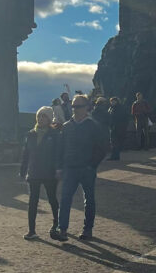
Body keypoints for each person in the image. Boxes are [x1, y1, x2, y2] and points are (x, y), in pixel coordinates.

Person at [56, 94, 109, 241]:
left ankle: (87, 229)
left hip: (86, 169)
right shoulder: (67, 126)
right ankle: (63, 229)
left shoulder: (93, 126)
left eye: (78, 106)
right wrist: (60, 167)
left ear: (86, 107)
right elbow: (61, 149)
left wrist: (91, 165)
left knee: (89, 199)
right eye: (73, 106)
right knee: (65, 199)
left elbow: (103, 148)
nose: (75, 109)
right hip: (70, 168)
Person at [19, 107, 61, 240]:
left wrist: (58, 169)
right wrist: (23, 171)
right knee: (32, 201)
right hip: (34, 172)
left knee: (52, 199)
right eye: (39, 116)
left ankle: (57, 224)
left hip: (49, 172)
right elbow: (26, 154)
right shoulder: (31, 134)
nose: (40, 118)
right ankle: (32, 230)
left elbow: (58, 154)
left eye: (44, 116)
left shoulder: (54, 134)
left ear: (49, 119)